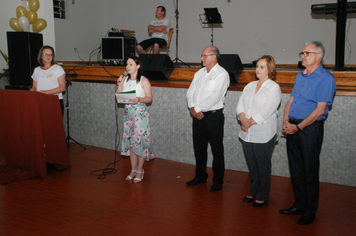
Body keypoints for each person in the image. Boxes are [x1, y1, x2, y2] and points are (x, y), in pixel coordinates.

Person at [280, 41, 336, 225]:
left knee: (309, 171)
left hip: (309, 129)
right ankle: (299, 204)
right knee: (296, 169)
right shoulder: (300, 76)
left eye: (307, 53)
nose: (302, 56)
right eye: (302, 53)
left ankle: (310, 210)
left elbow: (320, 110)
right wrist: (286, 121)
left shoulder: (326, 78)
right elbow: (291, 100)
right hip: (293, 127)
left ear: (318, 56)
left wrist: (299, 127)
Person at [236, 55, 281, 207]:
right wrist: (243, 120)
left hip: (263, 133)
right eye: (257, 67)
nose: (258, 70)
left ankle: (263, 194)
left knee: (262, 166)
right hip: (247, 132)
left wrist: (249, 122)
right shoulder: (249, 86)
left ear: (270, 69)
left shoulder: (273, 88)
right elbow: (240, 105)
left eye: (262, 67)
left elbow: (266, 110)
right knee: (252, 165)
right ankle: (253, 190)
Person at [186, 46, 230, 192]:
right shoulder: (199, 73)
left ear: (214, 57)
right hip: (197, 117)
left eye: (205, 55)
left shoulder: (222, 74)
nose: (202, 58)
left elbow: (215, 97)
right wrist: (192, 108)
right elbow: (190, 92)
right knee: (199, 149)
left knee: (217, 150)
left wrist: (197, 109)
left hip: (213, 117)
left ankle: (218, 180)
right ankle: (200, 176)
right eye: (202, 55)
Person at [116, 56, 155, 183]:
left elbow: (149, 98)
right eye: (127, 64)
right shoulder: (125, 80)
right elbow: (118, 96)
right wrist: (120, 84)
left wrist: (139, 99)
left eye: (131, 64)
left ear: (138, 66)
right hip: (128, 115)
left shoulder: (144, 81)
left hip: (140, 115)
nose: (128, 67)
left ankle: (140, 170)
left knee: (140, 142)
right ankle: (133, 169)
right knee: (132, 142)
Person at [31, 45, 66, 116]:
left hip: (55, 100)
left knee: (54, 125)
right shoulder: (37, 70)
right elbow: (34, 87)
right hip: (40, 100)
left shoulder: (58, 68)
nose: (48, 56)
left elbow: (62, 87)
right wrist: (33, 90)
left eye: (50, 54)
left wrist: (46, 92)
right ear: (41, 56)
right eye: (45, 54)